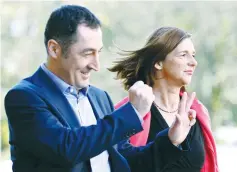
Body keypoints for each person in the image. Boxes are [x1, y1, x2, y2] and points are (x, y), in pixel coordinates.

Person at [5, 5, 196, 172]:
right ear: (54, 49)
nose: (96, 65)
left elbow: (127, 161)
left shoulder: (99, 97)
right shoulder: (24, 97)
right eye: (87, 53)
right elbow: (66, 148)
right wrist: (132, 113)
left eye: (99, 53)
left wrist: (171, 141)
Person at [110, 27, 219, 172]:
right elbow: (119, 164)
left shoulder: (198, 113)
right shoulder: (129, 111)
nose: (193, 62)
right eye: (183, 55)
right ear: (158, 62)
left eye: (193, 55)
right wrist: (169, 141)